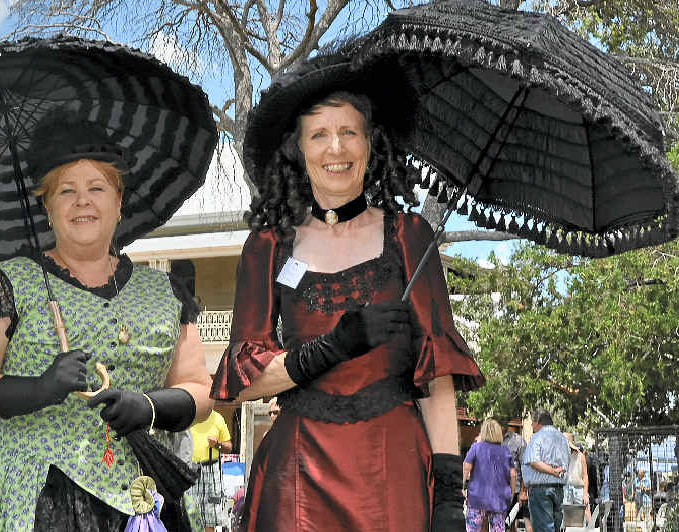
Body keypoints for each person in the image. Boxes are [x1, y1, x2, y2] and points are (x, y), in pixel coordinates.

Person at [209, 44, 484, 531]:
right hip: (296, 476)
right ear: (298, 148)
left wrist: (447, 497)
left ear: (370, 144)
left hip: (393, 473)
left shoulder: (410, 236)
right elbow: (244, 384)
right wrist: (333, 347)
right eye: (319, 134)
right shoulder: (268, 246)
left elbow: (436, 379)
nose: (335, 149)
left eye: (348, 132)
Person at [0, 110, 214, 531]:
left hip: (141, 499)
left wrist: (149, 406)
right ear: (47, 206)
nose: (83, 201)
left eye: (97, 187)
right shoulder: (8, 283)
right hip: (29, 495)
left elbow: (201, 389)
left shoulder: (166, 292)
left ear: (119, 203)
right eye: (66, 190)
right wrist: (38, 389)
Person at [521, 411, 569, 532]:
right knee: (555, 528)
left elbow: (534, 462)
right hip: (558, 489)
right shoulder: (563, 438)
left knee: (544, 529)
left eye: (532, 422)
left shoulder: (537, 437)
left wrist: (552, 471)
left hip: (541, 490)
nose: (532, 425)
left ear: (538, 423)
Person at [463, 419, 515, 532]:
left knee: (472, 529)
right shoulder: (505, 450)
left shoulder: (476, 447)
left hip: (477, 497)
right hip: (499, 499)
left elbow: (466, 466)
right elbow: (513, 474)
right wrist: (512, 492)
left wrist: (462, 487)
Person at [189, 410, 232, 532]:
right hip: (191, 469)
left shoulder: (217, 418)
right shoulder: (188, 416)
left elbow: (229, 447)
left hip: (212, 469)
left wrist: (217, 444)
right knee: (192, 511)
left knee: (211, 513)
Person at [562, 433, 589, 519]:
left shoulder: (580, 456)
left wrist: (585, 494)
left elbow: (585, 476)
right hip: (566, 489)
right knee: (566, 518)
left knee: (581, 517)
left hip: (579, 489)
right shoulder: (561, 456)